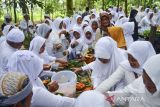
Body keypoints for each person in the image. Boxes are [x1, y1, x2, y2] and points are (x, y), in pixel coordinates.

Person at [0, 72, 75, 107]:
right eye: (31, 96)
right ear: (18, 105)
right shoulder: (37, 93)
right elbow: (63, 102)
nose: (32, 98)